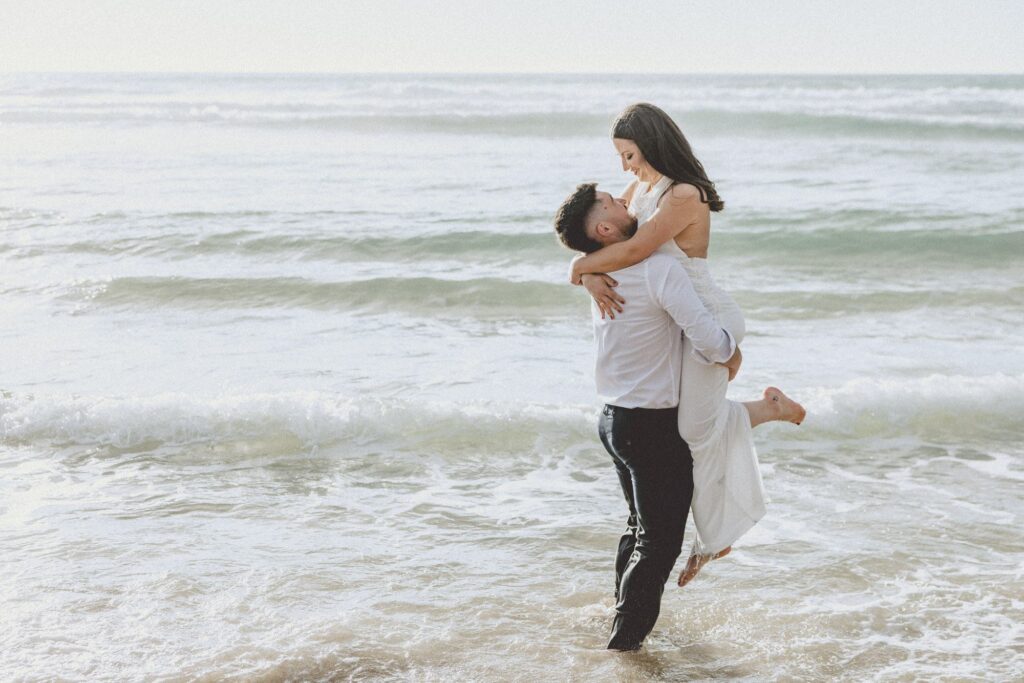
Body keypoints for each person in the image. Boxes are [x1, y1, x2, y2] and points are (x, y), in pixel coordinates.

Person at [570, 103, 805, 587]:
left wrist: (578, 271)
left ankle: (716, 535)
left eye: (629, 154)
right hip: (677, 318)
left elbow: (633, 251)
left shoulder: (684, 195)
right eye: (620, 157)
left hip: (706, 318)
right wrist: (590, 277)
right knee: (686, 433)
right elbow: (609, 245)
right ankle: (766, 410)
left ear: (651, 145)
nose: (624, 167)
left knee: (694, 434)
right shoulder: (640, 191)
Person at [554, 181, 743, 651]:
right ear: (604, 228)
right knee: (659, 544)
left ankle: (619, 618)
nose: (625, 201)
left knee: (639, 528)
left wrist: (580, 271)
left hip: (614, 421)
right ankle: (623, 649)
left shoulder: (604, 276)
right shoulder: (657, 268)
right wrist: (731, 352)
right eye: (614, 204)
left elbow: (591, 259)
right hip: (650, 427)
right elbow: (705, 335)